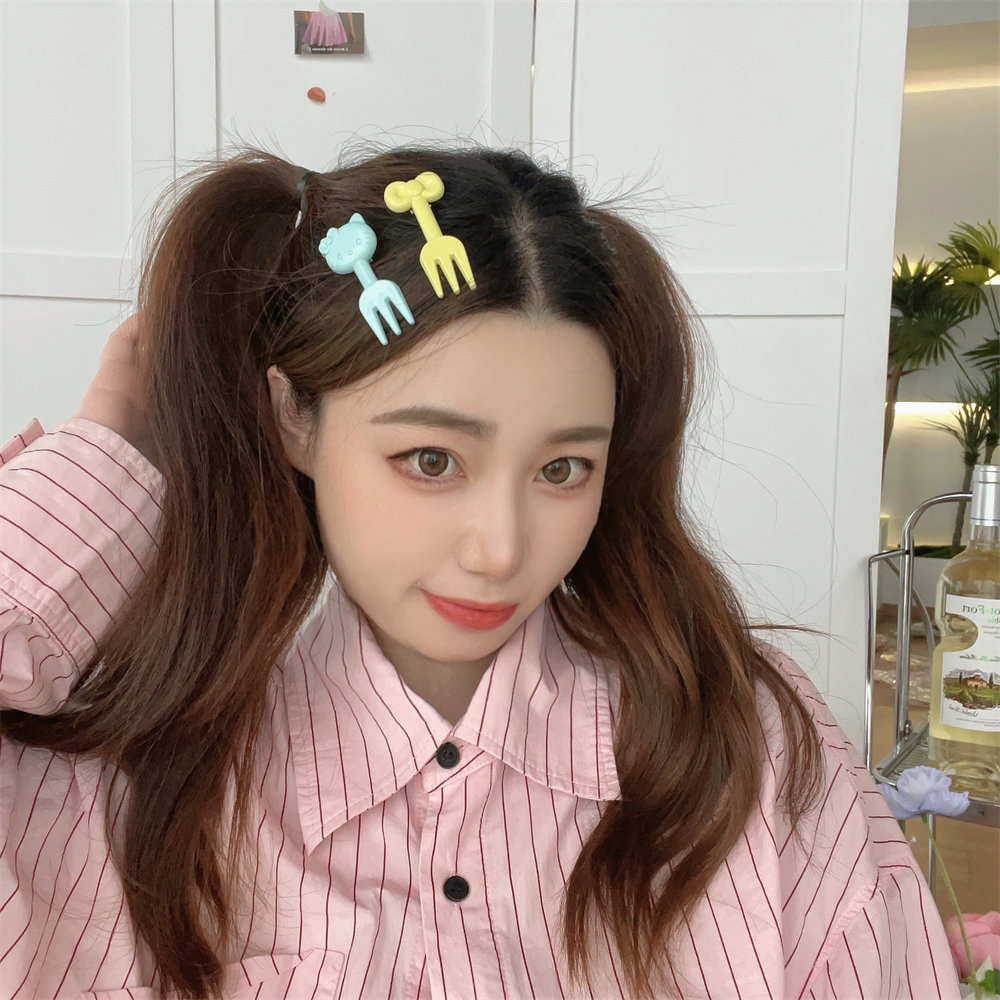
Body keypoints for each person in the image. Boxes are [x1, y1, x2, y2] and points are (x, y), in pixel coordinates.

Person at [0, 147, 958, 1000]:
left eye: (562, 469)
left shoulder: (745, 740)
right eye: (431, 460)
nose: (500, 550)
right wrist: (104, 465)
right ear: (293, 418)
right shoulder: (119, 770)